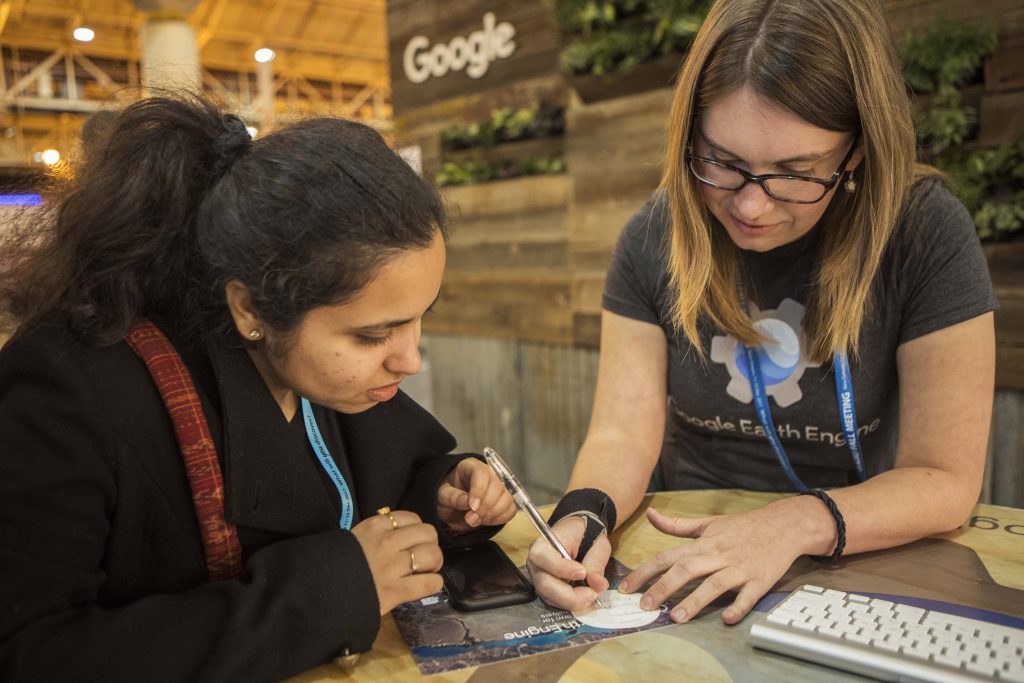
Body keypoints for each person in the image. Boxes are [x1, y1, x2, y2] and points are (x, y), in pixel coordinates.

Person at [0, 95, 516, 681]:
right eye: (374, 335)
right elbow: (29, 651)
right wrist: (329, 594)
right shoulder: (70, 392)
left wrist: (441, 496)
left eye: (423, 317)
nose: (410, 360)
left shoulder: (318, 372)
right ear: (251, 308)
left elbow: (369, 478)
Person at [527, 0, 997, 626]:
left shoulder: (924, 232)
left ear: (856, 151)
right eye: (724, 163)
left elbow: (944, 479)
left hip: (856, 549)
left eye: (795, 173)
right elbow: (621, 433)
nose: (751, 207)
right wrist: (584, 514)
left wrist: (790, 524)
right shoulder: (654, 234)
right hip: (683, 552)